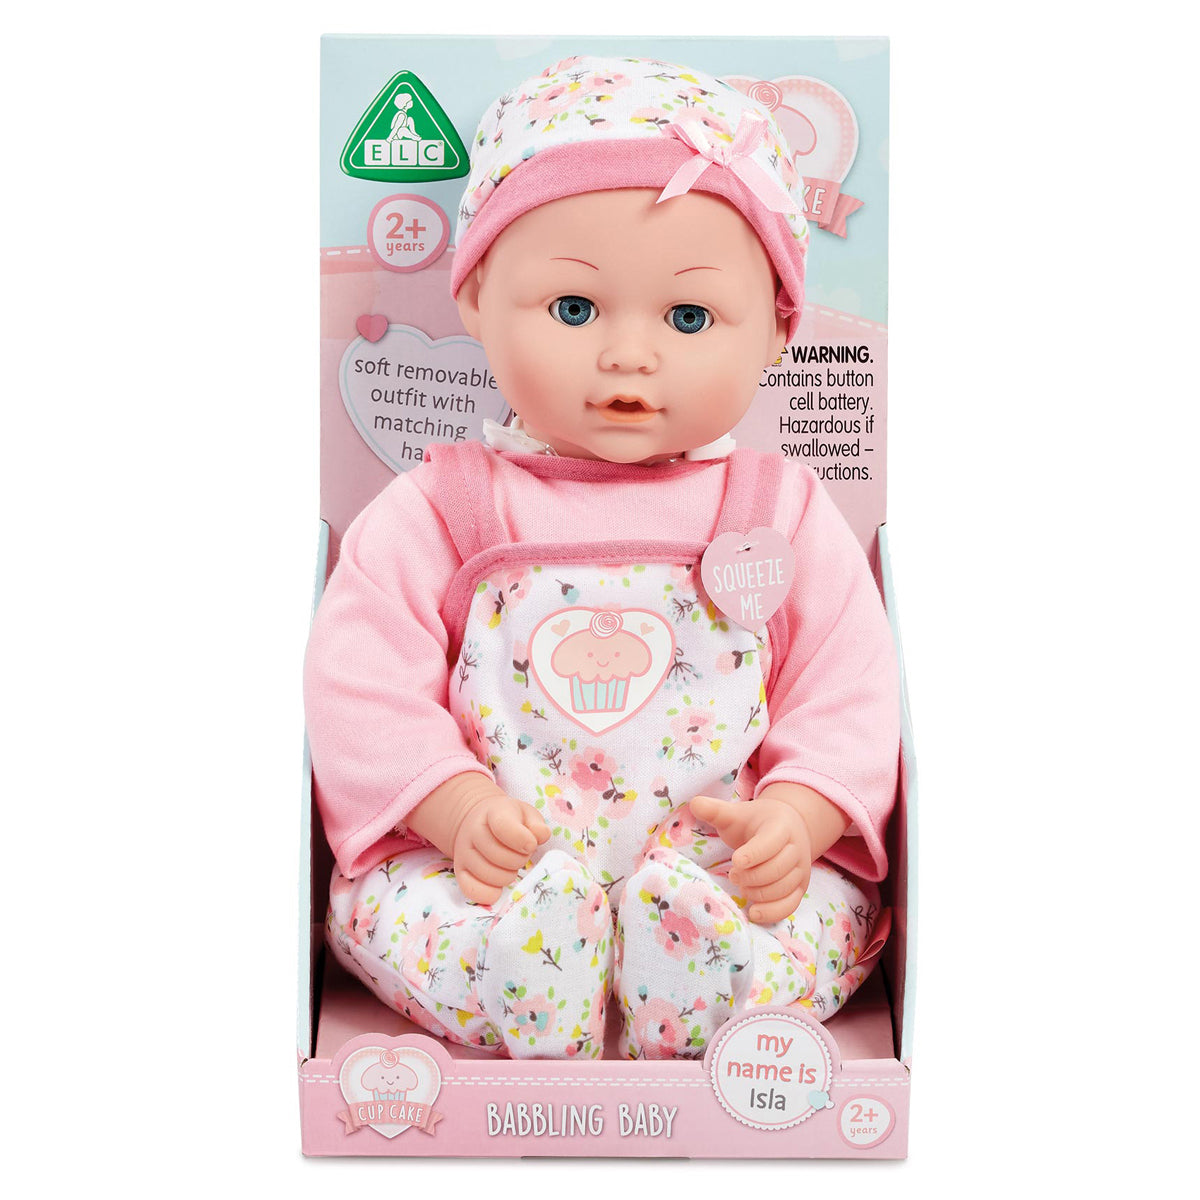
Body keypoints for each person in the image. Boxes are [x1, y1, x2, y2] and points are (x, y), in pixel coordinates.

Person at [304, 54, 899, 1060]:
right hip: (492, 873)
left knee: (818, 910)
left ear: (776, 329)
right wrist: (451, 807)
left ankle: (701, 978)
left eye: (689, 317)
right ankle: (525, 974)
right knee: (392, 906)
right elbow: (357, 679)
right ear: (476, 297)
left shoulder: (780, 511)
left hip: (717, 875)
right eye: (574, 310)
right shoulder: (447, 508)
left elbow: (850, 685)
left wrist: (797, 820)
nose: (629, 354)